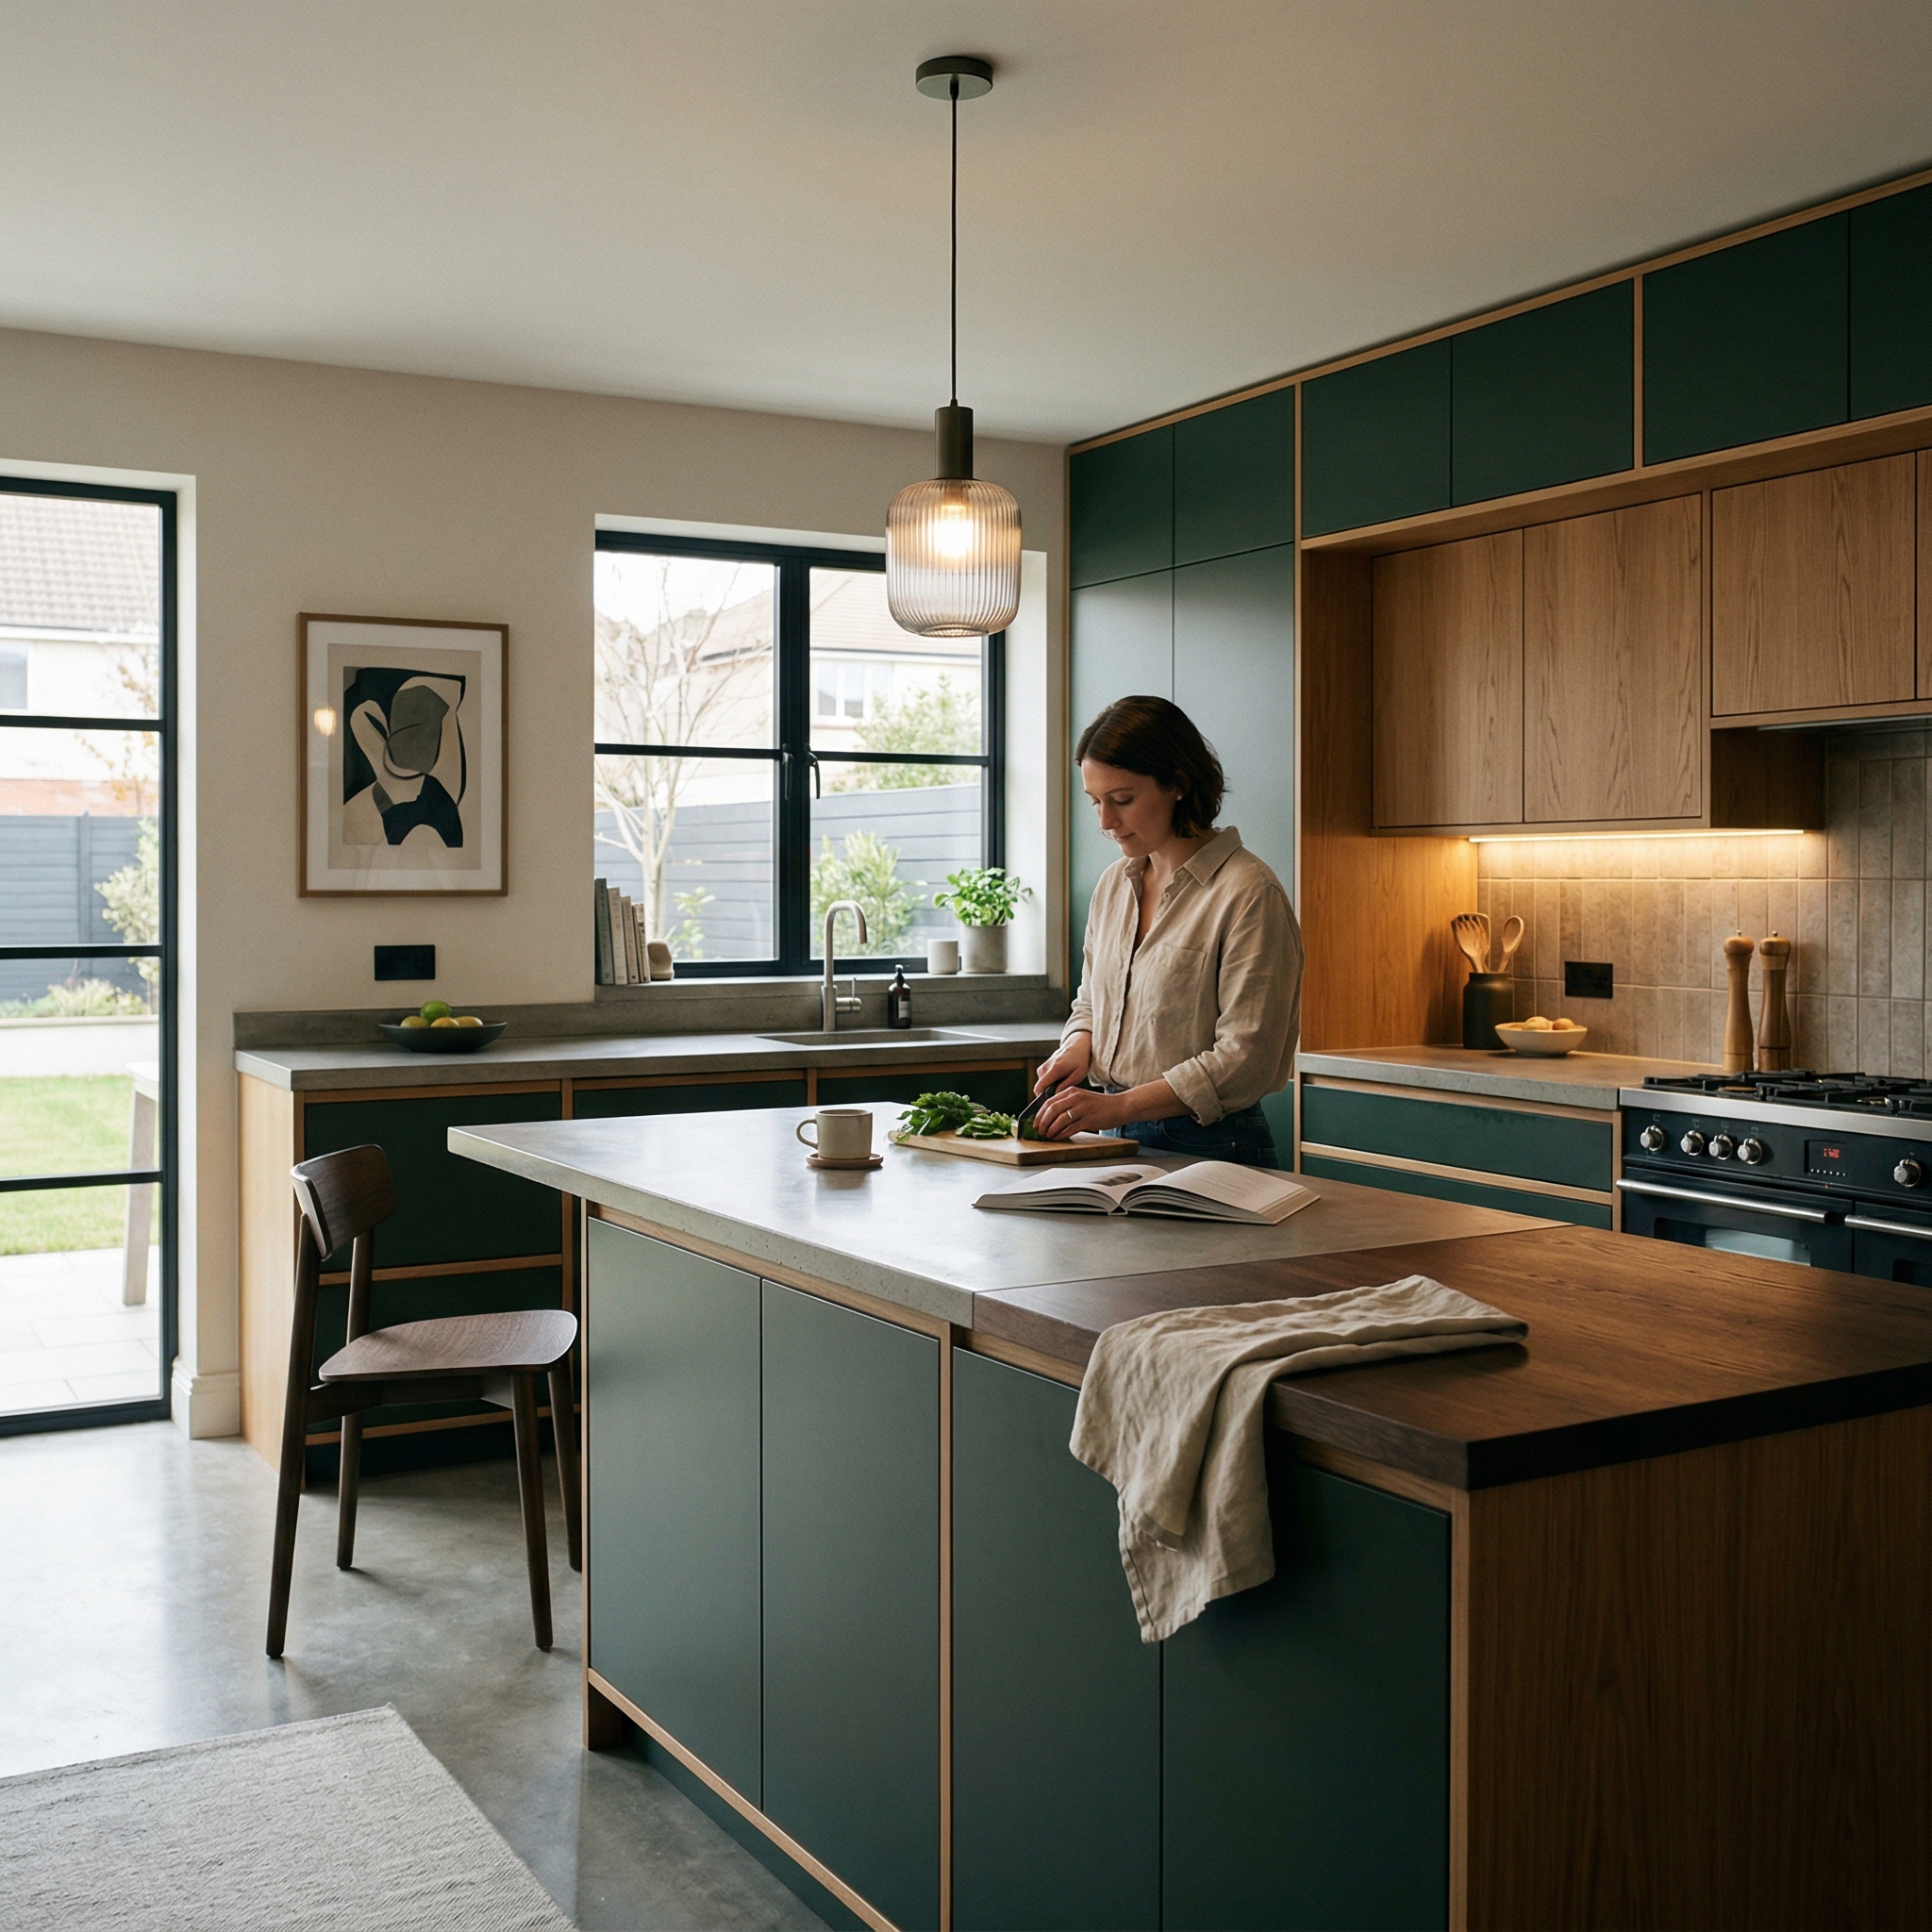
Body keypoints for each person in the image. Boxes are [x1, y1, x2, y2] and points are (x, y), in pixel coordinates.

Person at [1031, 695, 1302, 1169]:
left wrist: (1118, 1107)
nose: (1105, 822)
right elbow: (1092, 1002)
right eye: (1096, 802)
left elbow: (1246, 1059)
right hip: (1112, 1130)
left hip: (1213, 1144)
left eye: (1122, 800)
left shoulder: (1249, 893)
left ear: (1178, 784)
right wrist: (1078, 1044)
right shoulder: (1115, 886)